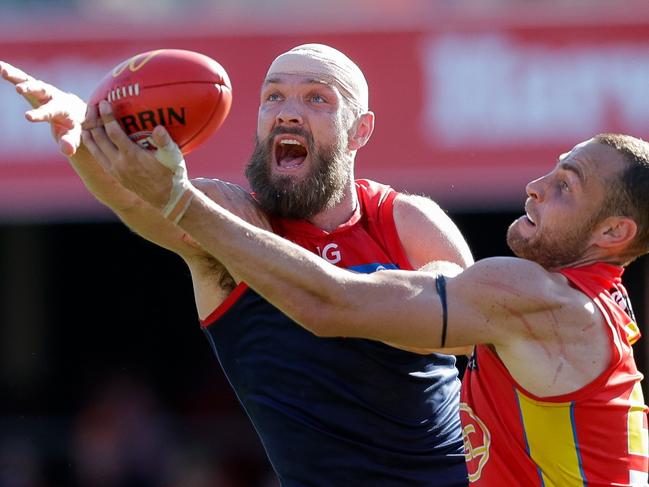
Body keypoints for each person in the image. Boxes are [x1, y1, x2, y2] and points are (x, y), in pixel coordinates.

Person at [73, 113, 649, 485]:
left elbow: (332, 303)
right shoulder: (588, 304)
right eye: (550, 170)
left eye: (565, 186)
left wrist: (179, 201)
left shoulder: (535, 298)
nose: (535, 186)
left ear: (613, 234)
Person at [1, 44, 474, 486]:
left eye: (317, 98)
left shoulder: (405, 220)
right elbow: (141, 202)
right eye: (273, 97)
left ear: (360, 130)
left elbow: (470, 323)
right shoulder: (231, 220)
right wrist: (88, 139)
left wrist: (355, 297)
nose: (288, 111)